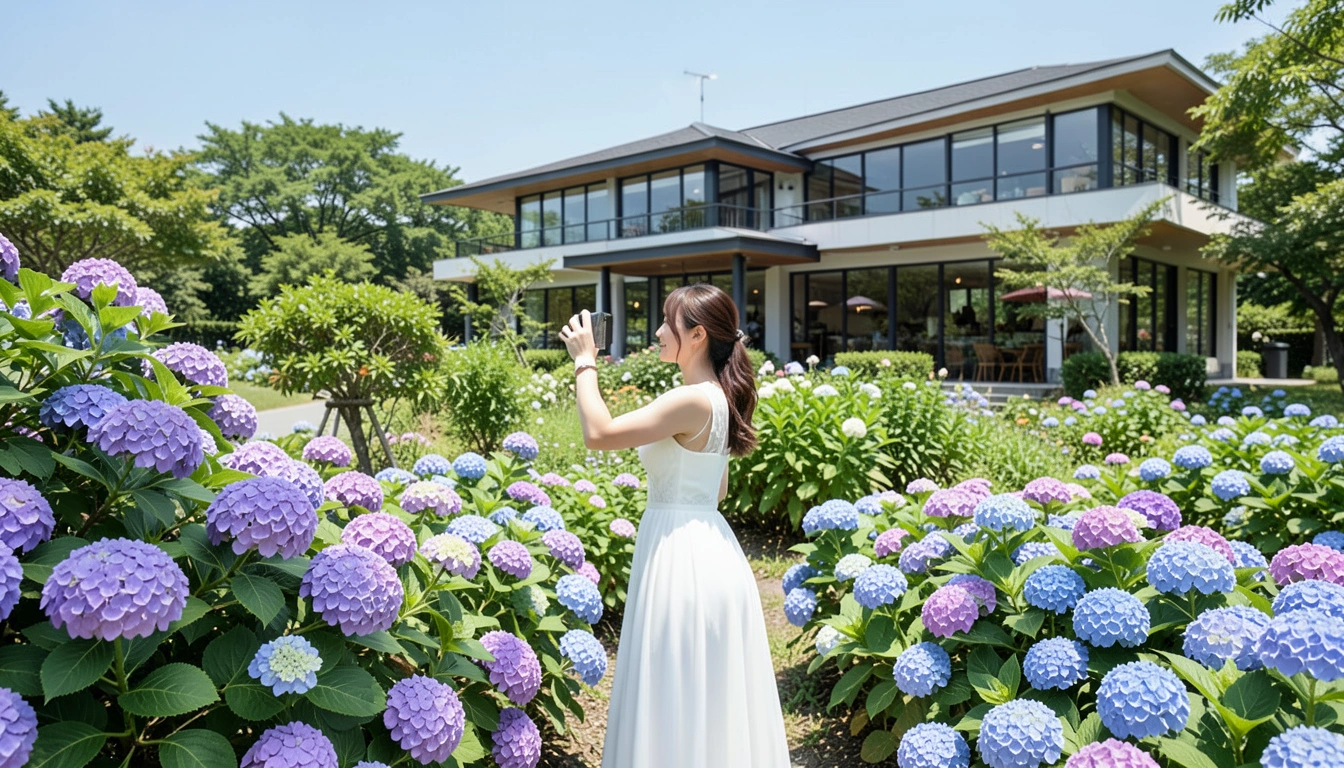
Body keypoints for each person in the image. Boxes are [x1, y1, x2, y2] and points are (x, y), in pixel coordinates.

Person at [557, 283, 792, 768]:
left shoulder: (692, 400)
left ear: (699, 335)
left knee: (672, 686)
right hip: (709, 547)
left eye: (669, 324)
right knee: (702, 694)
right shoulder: (718, 398)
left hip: (680, 556)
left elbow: (599, 434)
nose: (660, 332)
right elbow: (719, 489)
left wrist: (585, 361)